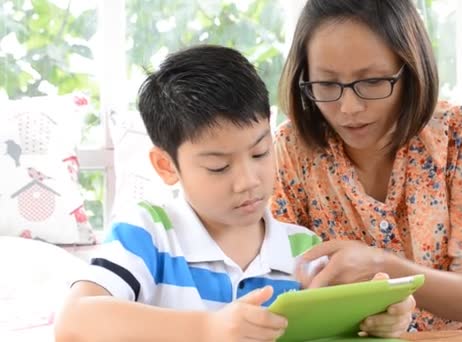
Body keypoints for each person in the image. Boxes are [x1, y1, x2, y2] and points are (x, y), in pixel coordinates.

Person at [54, 45, 415, 342]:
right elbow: (74, 322)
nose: (248, 181)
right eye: (218, 167)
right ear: (166, 166)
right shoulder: (149, 234)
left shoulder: (304, 252)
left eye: (260, 153)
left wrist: (382, 321)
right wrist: (209, 328)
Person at [272, 0, 462, 331]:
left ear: (410, 71)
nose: (349, 107)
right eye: (327, 84)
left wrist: (383, 267)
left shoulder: (460, 133)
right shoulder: (290, 150)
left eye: (373, 81)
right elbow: (279, 289)